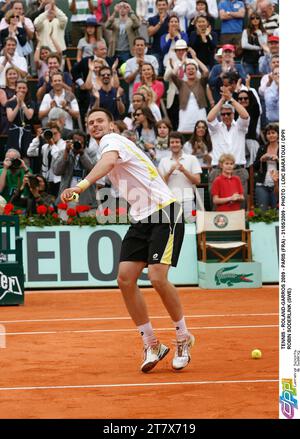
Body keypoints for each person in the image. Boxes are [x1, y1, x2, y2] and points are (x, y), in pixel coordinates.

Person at [61, 107, 195, 373]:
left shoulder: (113, 142)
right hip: (142, 217)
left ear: (111, 125)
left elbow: (109, 163)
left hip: (165, 211)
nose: (95, 125)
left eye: (100, 120)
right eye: (90, 123)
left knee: (157, 277)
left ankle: (183, 337)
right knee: (125, 278)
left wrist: (81, 186)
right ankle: (152, 343)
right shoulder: (106, 148)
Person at [207, 86, 250, 203]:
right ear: (220, 115)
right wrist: (222, 100)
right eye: (223, 114)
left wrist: (231, 99)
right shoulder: (215, 128)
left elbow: (245, 115)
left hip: (238, 170)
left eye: (228, 114)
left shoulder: (240, 126)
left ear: (233, 114)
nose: (226, 116)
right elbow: (210, 118)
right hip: (218, 171)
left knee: (239, 206)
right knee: (217, 207)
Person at [158, 131, 201, 221]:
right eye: (172, 142)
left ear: (181, 144)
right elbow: (160, 184)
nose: (175, 144)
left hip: (188, 200)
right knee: (171, 231)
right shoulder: (163, 161)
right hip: (170, 202)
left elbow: (197, 181)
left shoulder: (192, 159)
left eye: (177, 142)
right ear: (169, 145)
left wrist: (184, 170)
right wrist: (170, 171)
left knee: (190, 227)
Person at [253, 123, 278, 210]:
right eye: (268, 133)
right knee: (262, 211)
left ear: (278, 134)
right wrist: (261, 159)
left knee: (277, 211)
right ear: (266, 136)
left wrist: (278, 160)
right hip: (262, 183)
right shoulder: (262, 148)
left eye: (273, 132)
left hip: (278, 185)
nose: (271, 135)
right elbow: (255, 166)